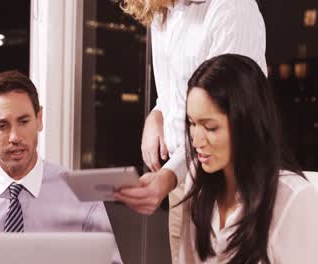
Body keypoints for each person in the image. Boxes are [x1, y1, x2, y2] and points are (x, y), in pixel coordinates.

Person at [115, 0, 267, 260]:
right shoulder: (162, 9)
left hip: (233, 182)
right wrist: (157, 114)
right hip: (183, 181)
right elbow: (177, 94)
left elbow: (230, 115)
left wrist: (169, 175)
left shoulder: (231, 8)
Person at [0, 71, 122, 264]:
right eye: (2, 125)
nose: (14, 137)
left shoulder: (81, 195)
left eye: (23, 122)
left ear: (39, 119)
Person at [178, 54, 318, 263]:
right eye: (192, 123)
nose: (196, 140)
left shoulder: (293, 198)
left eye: (210, 127)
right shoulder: (197, 182)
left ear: (246, 125)